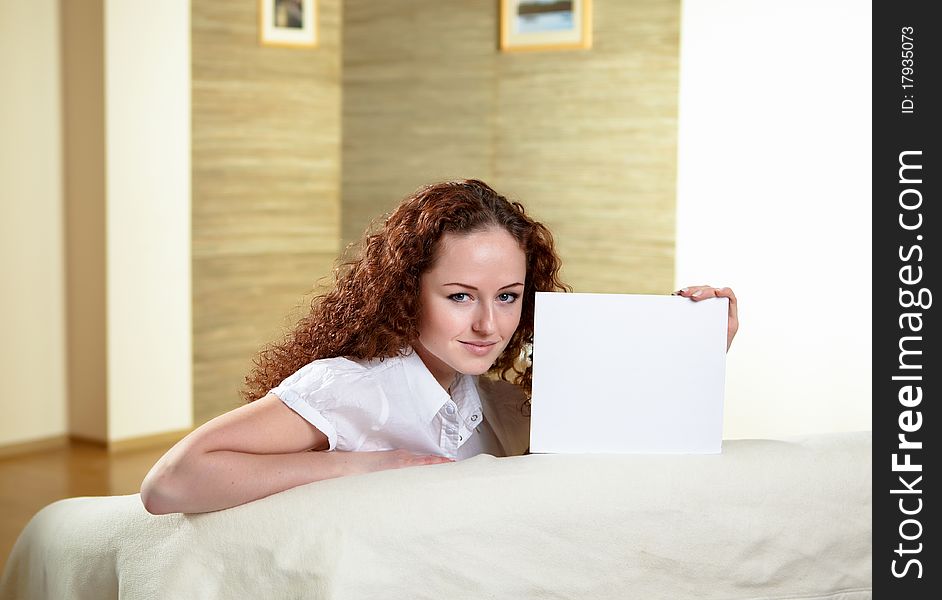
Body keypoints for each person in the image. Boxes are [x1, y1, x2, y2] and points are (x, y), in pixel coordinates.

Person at [140, 179, 738, 515]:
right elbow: (171, 482)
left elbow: (610, 448)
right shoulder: (357, 385)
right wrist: (375, 466)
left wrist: (694, 346)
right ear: (407, 292)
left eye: (507, 297)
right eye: (459, 297)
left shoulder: (484, 398)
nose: (488, 325)